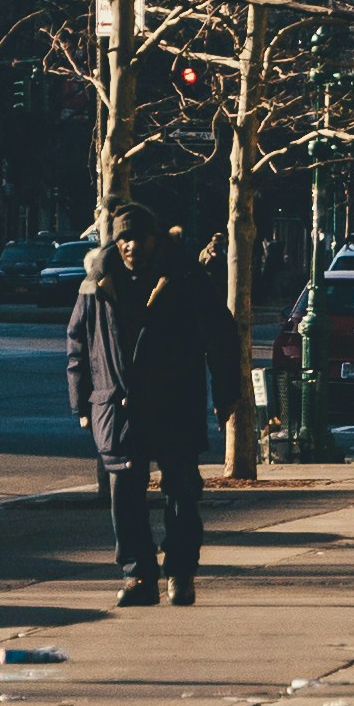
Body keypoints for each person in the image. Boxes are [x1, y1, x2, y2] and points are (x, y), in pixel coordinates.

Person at [69, 208, 248, 607]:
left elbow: (220, 338)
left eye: (139, 238)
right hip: (118, 406)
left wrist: (226, 395)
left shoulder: (186, 278)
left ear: (156, 238)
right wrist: (80, 399)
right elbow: (78, 343)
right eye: (123, 240)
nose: (132, 246)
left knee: (182, 492)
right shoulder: (96, 284)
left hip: (174, 401)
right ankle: (138, 578)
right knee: (126, 497)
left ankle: (180, 573)